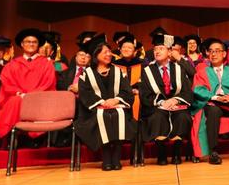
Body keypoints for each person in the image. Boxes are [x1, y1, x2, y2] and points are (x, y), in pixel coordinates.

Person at [74, 35, 136, 171]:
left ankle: (116, 158)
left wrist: (115, 100)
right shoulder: (86, 74)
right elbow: (85, 95)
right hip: (94, 111)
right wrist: (102, 102)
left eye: (109, 51)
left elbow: (127, 92)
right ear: (96, 55)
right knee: (105, 116)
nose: (109, 54)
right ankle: (106, 158)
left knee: (117, 115)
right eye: (105, 52)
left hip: (118, 107)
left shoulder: (119, 72)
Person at [139, 33, 193, 165]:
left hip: (177, 105)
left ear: (169, 52)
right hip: (157, 106)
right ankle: (161, 153)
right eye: (155, 49)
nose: (157, 51)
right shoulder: (147, 71)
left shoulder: (179, 69)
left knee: (183, 116)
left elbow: (187, 91)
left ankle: (176, 152)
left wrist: (175, 100)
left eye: (161, 48)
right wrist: (162, 102)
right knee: (157, 116)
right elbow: (145, 94)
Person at [0, 29, 57, 142]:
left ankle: (28, 138)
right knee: (15, 101)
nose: (31, 44)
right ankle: (10, 137)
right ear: (22, 44)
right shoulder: (12, 64)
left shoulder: (46, 64)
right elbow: (7, 83)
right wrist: (19, 93)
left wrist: (30, 96)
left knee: (23, 102)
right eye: (28, 41)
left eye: (34, 42)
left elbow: (48, 83)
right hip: (16, 96)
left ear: (38, 45)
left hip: (38, 98)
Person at [112, 32, 145, 120]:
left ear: (135, 51)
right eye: (123, 47)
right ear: (120, 50)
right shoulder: (114, 65)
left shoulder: (143, 65)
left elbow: (147, 84)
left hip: (139, 99)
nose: (126, 49)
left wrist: (139, 90)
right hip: (119, 98)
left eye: (129, 48)